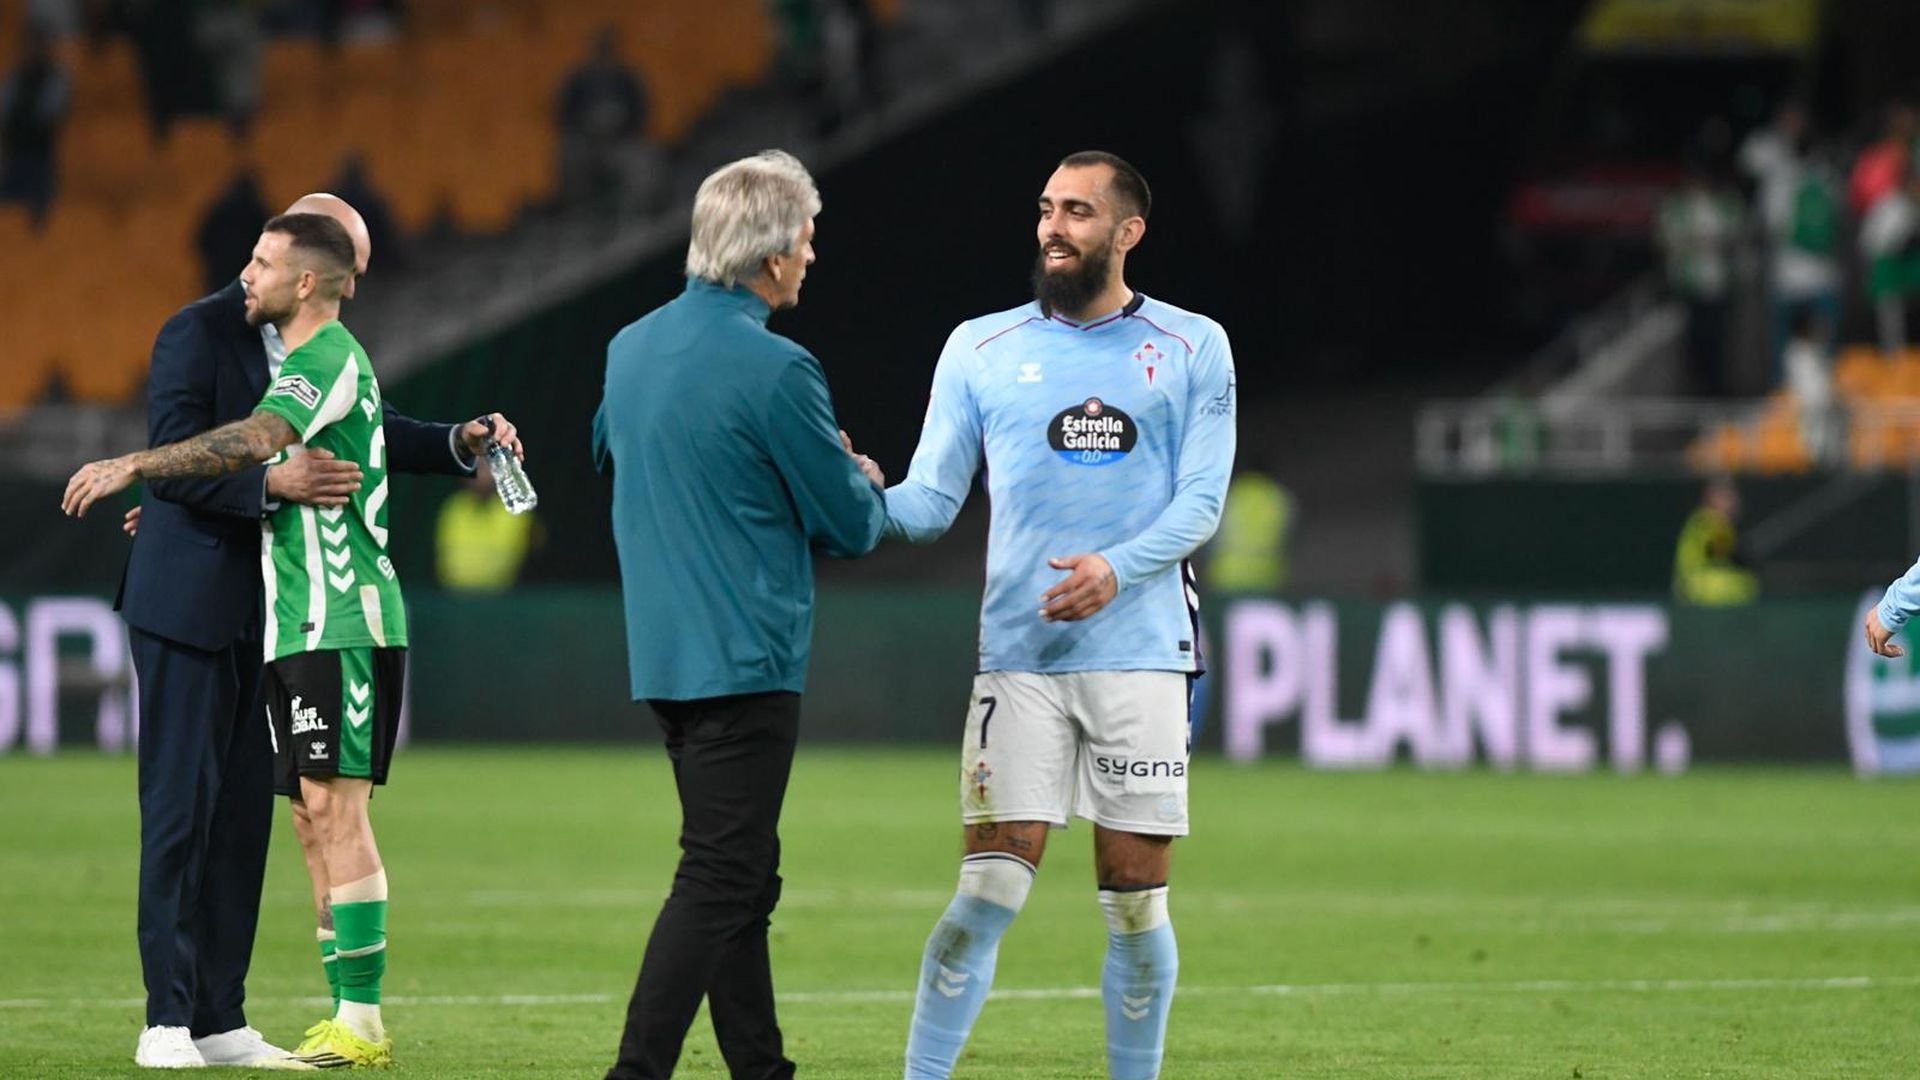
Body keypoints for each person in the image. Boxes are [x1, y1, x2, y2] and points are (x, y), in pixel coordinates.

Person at [67, 212, 513, 1069]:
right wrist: (247, 483)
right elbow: (203, 451)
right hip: (200, 604)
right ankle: (168, 1017)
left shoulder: (324, 352)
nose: (249, 274)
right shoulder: (196, 334)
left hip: (290, 612)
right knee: (186, 811)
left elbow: (366, 432)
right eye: (257, 257)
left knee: (256, 818)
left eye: (264, 261)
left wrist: (456, 442)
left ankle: (225, 1018)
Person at [883, 150, 1236, 1079]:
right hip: (1019, 658)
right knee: (985, 891)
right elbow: (926, 504)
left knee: (1132, 901)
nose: (1053, 227)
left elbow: (1202, 505)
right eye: (1046, 208)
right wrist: (852, 496)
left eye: (1078, 211)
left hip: (1143, 655)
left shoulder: (1195, 345)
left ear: (1128, 233)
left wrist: (1115, 571)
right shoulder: (979, 347)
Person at [591, 149, 885, 1080]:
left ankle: (762, 1069)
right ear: (768, 255)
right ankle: (634, 1073)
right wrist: (861, 479)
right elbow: (849, 524)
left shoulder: (629, 346)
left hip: (665, 658)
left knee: (741, 878)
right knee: (721, 876)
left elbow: (610, 450)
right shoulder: (778, 369)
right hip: (747, 659)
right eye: (806, 239)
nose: (810, 257)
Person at [0, 21, 70, 227]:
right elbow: (4, 113)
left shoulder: (55, 78)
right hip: (14, 159)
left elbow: (47, 117)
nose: (31, 51)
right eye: (27, 46)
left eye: (35, 45)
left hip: (40, 163)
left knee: (40, 208)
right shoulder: (14, 78)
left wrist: (20, 122)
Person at [435, 453, 537, 592]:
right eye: (476, 467)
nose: (481, 474)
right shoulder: (453, 509)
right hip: (458, 600)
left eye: (487, 467)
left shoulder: (517, 510)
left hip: (503, 600)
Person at [1672, 477, 1758, 606]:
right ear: (1711, 498)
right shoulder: (1708, 521)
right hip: (1700, 587)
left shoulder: (1711, 522)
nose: (1733, 502)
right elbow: (1716, 553)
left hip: (1696, 585)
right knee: (1745, 584)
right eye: (1726, 498)